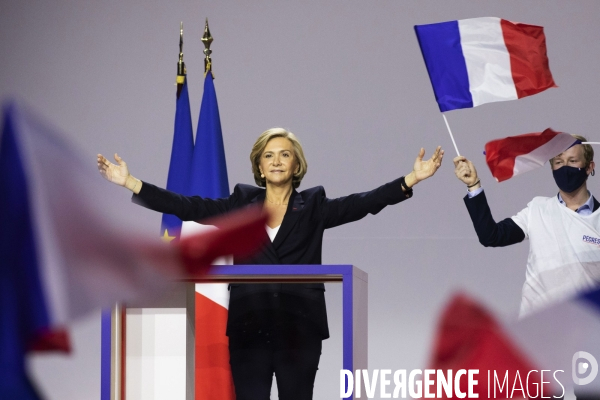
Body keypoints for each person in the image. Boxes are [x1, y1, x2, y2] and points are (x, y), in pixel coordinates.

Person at [98, 128, 444, 400]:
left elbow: (364, 202)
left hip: (300, 327)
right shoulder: (240, 204)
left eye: (285, 155)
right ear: (259, 167)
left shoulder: (314, 205)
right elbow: (188, 206)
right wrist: (131, 182)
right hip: (250, 326)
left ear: (297, 165)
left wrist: (410, 179)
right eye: (268, 155)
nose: (276, 161)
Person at [453, 135, 600, 318]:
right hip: (536, 329)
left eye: (572, 161)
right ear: (552, 167)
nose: (565, 167)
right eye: (558, 161)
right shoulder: (537, 209)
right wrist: (474, 186)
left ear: (589, 167)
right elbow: (491, 235)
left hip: (584, 331)